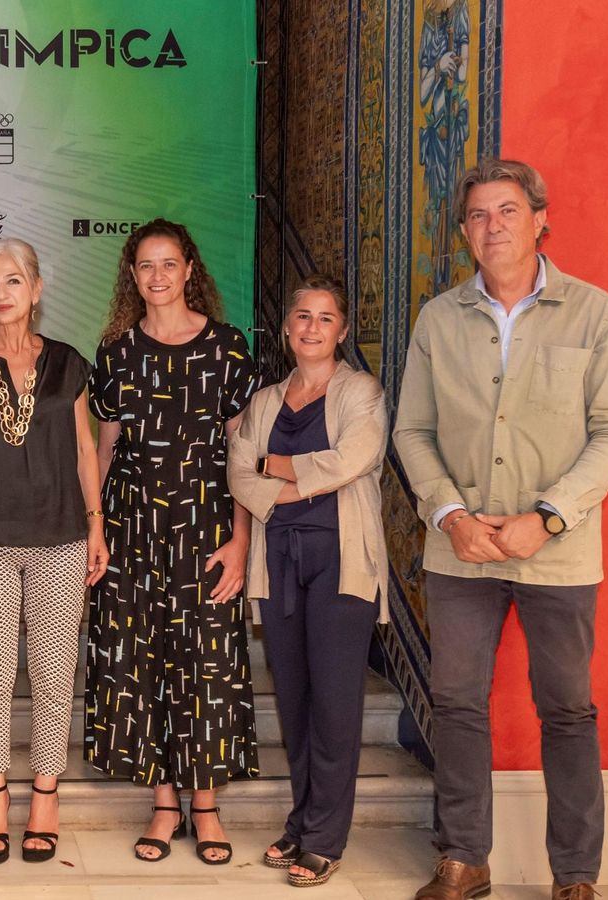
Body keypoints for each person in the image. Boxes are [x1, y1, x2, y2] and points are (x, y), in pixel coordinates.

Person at [393, 158, 608, 900]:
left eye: (506, 211)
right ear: (463, 231)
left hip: (557, 552)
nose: (491, 226)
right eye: (477, 215)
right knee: (458, 703)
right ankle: (464, 860)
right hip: (459, 549)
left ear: (539, 219)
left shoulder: (595, 313)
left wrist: (548, 516)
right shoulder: (439, 319)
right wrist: (449, 515)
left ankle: (576, 876)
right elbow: (413, 430)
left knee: (567, 707)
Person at [84, 218, 260, 865]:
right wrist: (94, 529)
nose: (157, 276)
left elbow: (244, 456)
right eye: (145, 266)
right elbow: (102, 452)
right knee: (140, 667)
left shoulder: (228, 349)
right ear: (132, 276)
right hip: (132, 536)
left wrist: (242, 542)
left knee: (206, 667)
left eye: (169, 264)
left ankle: (206, 807)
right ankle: (163, 805)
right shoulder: (116, 353)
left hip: (207, 534)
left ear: (190, 269)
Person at [0, 238, 109, 865]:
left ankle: (46, 795)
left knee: (56, 675)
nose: (1, 293)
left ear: (36, 290)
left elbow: (87, 450)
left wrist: (96, 525)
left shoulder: (70, 364)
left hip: (61, 536)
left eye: (13, 280)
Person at [227, 275, 390, 888]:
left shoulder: (361, 392)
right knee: (294, 702)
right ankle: (301, 820)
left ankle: (324, 838)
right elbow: (238, 474)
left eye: (325, 318)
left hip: (342, 567)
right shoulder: (266, 400)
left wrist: (278, 467)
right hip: (282, 566)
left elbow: (355, 458)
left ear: (341, 331)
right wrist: (285, 481)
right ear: (288, 327)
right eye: (302, 316)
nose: (312, 327)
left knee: (335, 704)